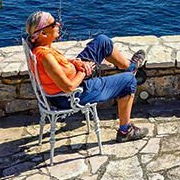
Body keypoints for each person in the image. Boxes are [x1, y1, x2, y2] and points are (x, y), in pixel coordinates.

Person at [25, 11, 148, 142]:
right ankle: (125, 131)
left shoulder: (42, 48)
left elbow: (59, 65)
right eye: (53, 24)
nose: (58, 24)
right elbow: (68, 87)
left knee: (102, 41)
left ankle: (131, 67)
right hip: (72, 94)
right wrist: (84, 71)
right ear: (43, 33)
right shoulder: (45, 56)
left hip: (76, 78)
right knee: (128, 80)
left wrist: (76, 63)